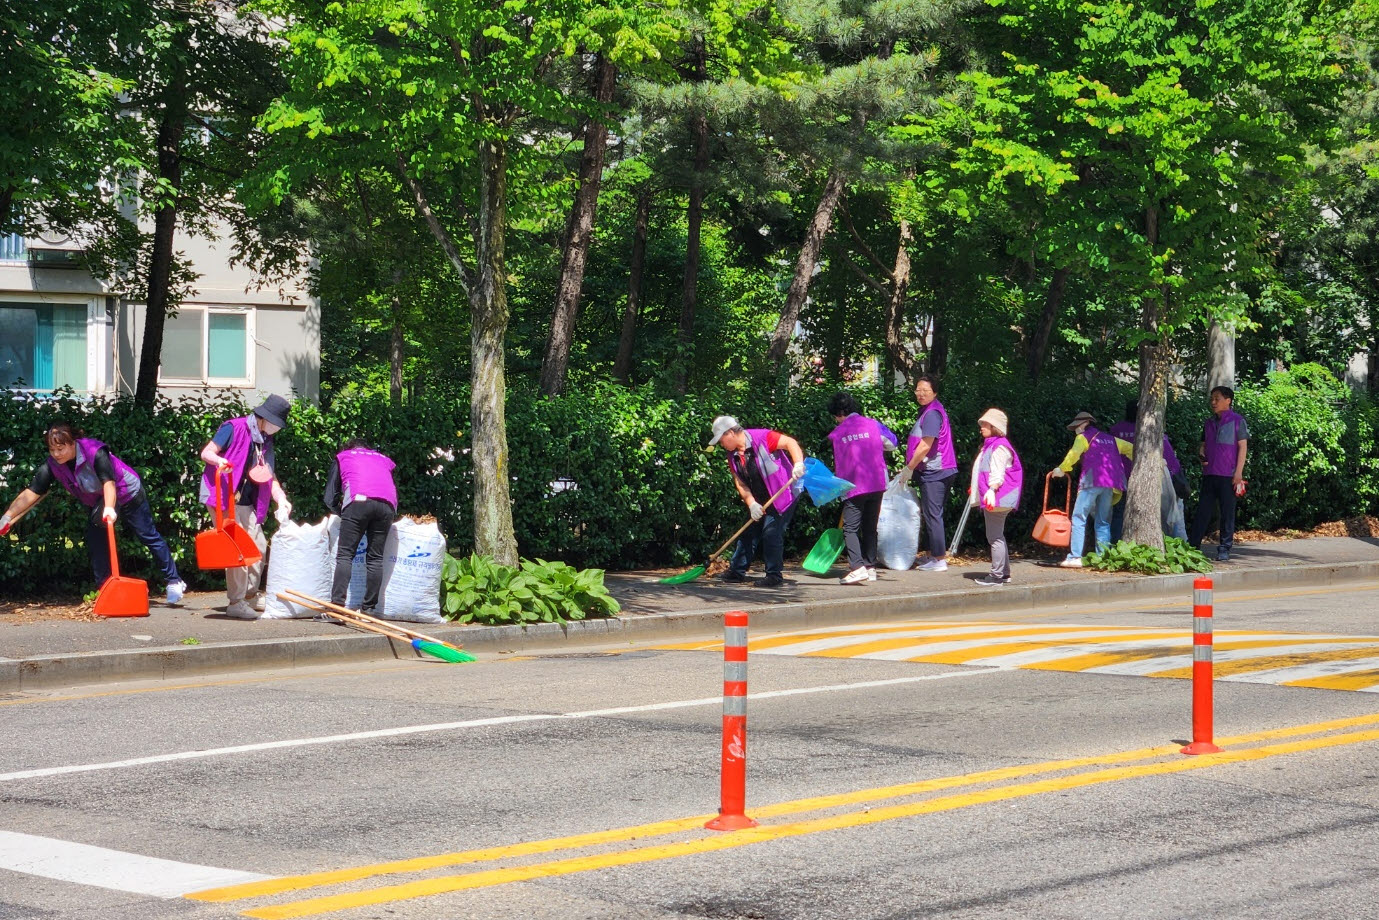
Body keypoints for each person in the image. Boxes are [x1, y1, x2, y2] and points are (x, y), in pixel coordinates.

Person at [0, 424, 186, 603]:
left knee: (147, 535)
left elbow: (109, 483)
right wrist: (7, 517)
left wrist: (110, 507)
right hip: (100, 499)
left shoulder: (94, 451)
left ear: (73, 443)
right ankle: (105, 590)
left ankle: (174, 581)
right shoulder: (53, 465)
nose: (56, 454)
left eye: (60, 448)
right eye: (52, 449)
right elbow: (33, 491)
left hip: (126, 491)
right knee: (96, 538)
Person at [200, 395, 293, 618]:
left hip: (246, 502)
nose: (276, 429)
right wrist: (219, 461)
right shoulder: (234, 428)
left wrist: (281, 498)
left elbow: (268, 475)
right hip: (223, 497)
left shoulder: (265, 440)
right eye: (275, 423)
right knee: (237, 551)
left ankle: (250, 596)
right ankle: (236, 602)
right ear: (264, 418)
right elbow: (207, 452)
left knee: (258, 547)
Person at [708, 415, 806, 587]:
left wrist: (798, 463)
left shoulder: (763, 437)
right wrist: (752, 503)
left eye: (722, 439)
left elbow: (790, 442)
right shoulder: (733, 456)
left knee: (771, 532)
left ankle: (774, 575)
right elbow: (741, 483)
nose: (721, 444)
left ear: (730, 433)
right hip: (759, 498)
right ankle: (736, 572)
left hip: (782, 493)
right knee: (749, 532)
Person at [826, 393, 898, 585]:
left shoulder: (837, 433)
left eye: (835, 415)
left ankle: (857, 568)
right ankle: (870, 567)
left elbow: (839, 463)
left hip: (854, 485)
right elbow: (892, 443)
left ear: (839, 413)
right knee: (870, 527)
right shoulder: (873, 424)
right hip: (877, 482)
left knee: (850, 528)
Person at [324, 438, 398, 614]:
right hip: (387, 506)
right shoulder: (382, 458)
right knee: (375, 558)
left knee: (345, 555)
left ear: (348, 447)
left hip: (358, 502)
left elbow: (330, 497)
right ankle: (369, 609)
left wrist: (343, 513)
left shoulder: (343, 456)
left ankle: (337, 607)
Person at [1051, 411, 1133, 567]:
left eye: (1076, 426)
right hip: (1110, 484)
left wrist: (1062, 469)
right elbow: (1132, 448)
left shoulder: (1083, 437)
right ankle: (1102, 556)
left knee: (1078, 517)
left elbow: (1073, 454)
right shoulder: (1111, 439)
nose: (1076, 430)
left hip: (1091, 482)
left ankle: (1075, 557)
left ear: (1084, 424)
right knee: (1103, 521)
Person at [893, 374, 958, 571]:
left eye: (925, 391)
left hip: (935, 471)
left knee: (933, 514)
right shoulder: (930, 410)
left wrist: (909, 467)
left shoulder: (931, 414)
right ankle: (932, 555)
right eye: (918, 390)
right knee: (932, 513)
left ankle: (939, 559)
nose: (920, 394)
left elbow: (925, 445)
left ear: (935, 392)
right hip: (937, 470)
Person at [1110, 400, 1187, 541]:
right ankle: (1179, 546)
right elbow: (1169, 457)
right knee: (1169, 515)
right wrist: (1176, 476)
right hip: (1149, 480)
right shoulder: (1152, 429)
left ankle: (1116, 545)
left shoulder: (1115, 430)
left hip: (1122, 479)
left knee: (1119, 514)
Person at [1190, 385, 1249, 562]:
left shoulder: (1238, 421)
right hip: (1210, 473)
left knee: (1227, 513)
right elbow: (1203, 444)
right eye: (1212, 399)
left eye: (1217, 398)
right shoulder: (1208, 422)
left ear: (1228, 400)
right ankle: (1193, 546)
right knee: (1203, 511)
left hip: (1228, 475)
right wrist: (1201, 454)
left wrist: (1238, 473)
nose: (1213, 402)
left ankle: (1224, 547)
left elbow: (1243, 447)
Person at [968, 409, 1023, 587]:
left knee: (994, 537)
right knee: (998, 535)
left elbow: (997, 474)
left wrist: (991, 490)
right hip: (998, 497)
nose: (981, 427)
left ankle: (996, 576)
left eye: (985, 424)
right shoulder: (993, 445)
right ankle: (1004, 574)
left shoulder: (998, 447)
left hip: (997, 498)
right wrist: (977, 488)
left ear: (995, 427)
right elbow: (983, 470)